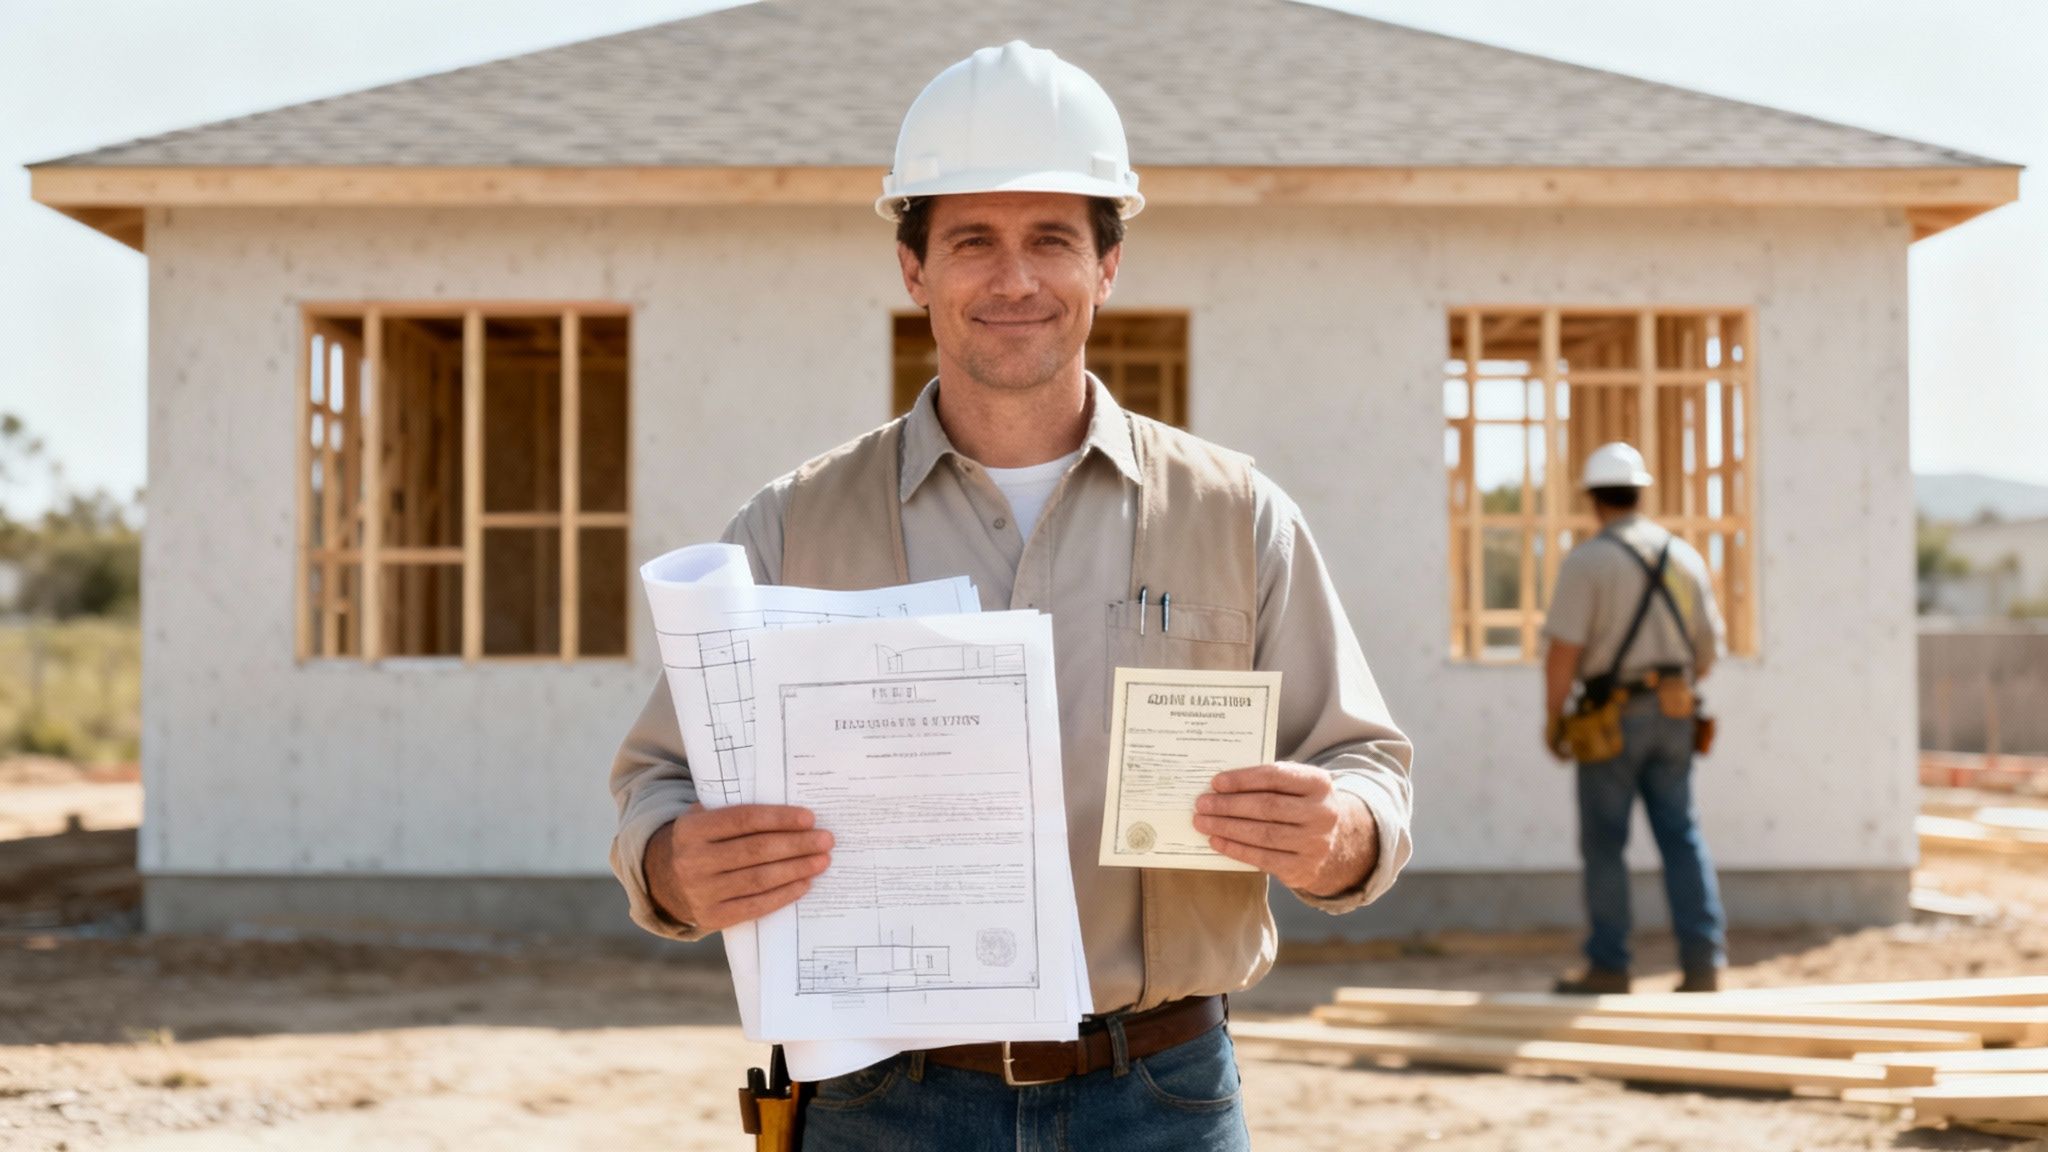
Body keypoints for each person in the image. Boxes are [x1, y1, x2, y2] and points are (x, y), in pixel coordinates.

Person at [606, 41, 1413, 1150]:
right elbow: (659, 780)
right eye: (972, 241)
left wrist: (1344, 834)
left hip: (1160, 1095)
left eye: (1050, 241)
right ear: (913, 268)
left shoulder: (1233, 515)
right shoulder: (793, 527)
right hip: (882, 1102)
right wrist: (673, 865)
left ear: (1107, 267)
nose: (1014, 280)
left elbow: (1362, 764)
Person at [1542, 442, 1727, 996]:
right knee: (1681, 835)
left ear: (1594, 501)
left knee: (1604, 843)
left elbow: (1563, 655)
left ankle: (1610, 965)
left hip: (1609, 720)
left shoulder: (1588, 562)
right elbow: (1708, 656)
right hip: (1675, 713)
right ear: (1640, 493)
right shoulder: (1684, 558)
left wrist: (1554, 719)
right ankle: (1703, 964)